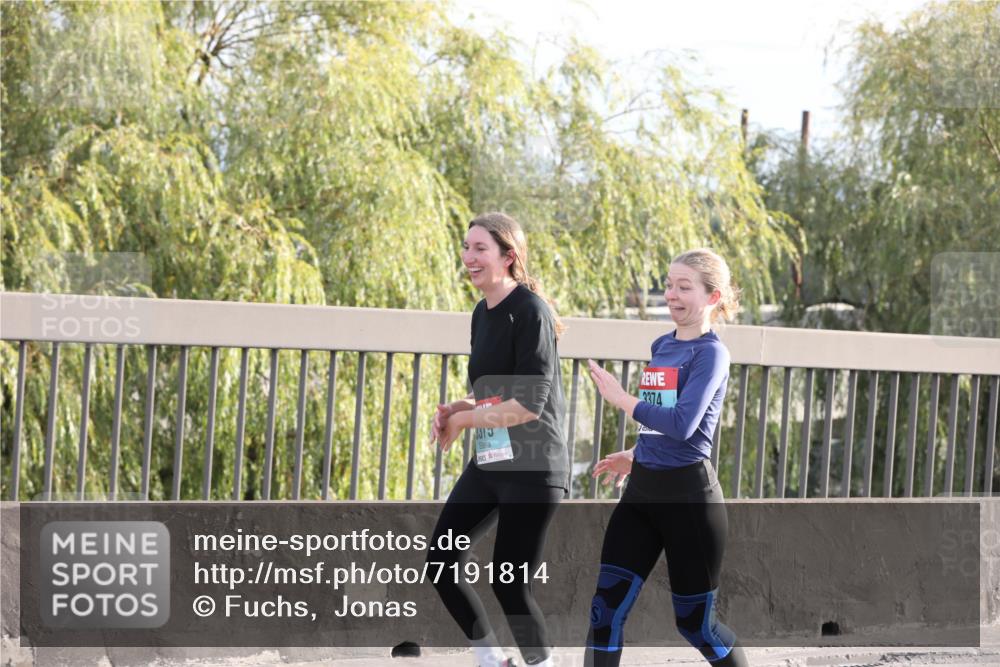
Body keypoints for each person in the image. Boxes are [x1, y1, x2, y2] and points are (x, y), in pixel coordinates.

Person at [583, 248, 750, 667]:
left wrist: (622, 399)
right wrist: (636, 453)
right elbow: (660, 426)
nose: (671, 295)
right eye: (669, 285)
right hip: (642, 495)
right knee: (605, 612)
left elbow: (683, 424)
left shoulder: (711, 354)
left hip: (688, 501)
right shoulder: (662, 344)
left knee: (696, 626)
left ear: (712, 297)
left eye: (684, 287)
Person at [429, 212, 569, 667]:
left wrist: (466, 422)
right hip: (493, 461)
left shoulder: (530, 311)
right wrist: (459, 408)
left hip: (533, 467)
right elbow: (493, 391)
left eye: (480, 249)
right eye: (466, 247)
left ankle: (540, 664)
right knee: (441, 560)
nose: (469, 257)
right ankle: (492, 661)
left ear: (508, 257)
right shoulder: (481, 313)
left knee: (509, 582)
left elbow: (528, 405)